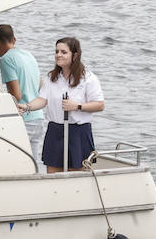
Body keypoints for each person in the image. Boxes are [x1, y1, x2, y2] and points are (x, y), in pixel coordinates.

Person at [18, 36, 105, 173]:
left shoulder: (88, 78)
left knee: (77, 174)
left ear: (75, 55)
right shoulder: (52, 78)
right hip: (55, 130)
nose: (58, 55)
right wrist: (27, 106)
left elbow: (99, 105)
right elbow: (42, 100)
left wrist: (77, 106)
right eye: (56, 51)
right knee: (53, 174)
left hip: (78, 132)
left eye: (63, 52)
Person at [0, 24, 44, 162]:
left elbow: (16, 95)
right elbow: (41, 85)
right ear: (14, 39)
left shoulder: (6, 60)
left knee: (16, 162)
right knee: (34, 163)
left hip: (24, 120)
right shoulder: (28, 55)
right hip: (38, 116)